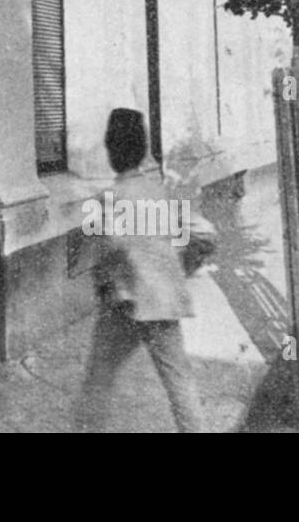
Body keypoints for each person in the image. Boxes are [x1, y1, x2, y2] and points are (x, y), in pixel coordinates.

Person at [75, 108, 205, 433]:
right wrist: (181, 268)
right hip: (164, 302)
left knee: (98, 382)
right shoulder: (161, 191)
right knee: (180, 383)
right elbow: (202, 234)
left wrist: (106, 282)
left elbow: (104, 254)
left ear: (110, 150)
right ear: (143, 147)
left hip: (124, 305)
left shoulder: (107, 200)